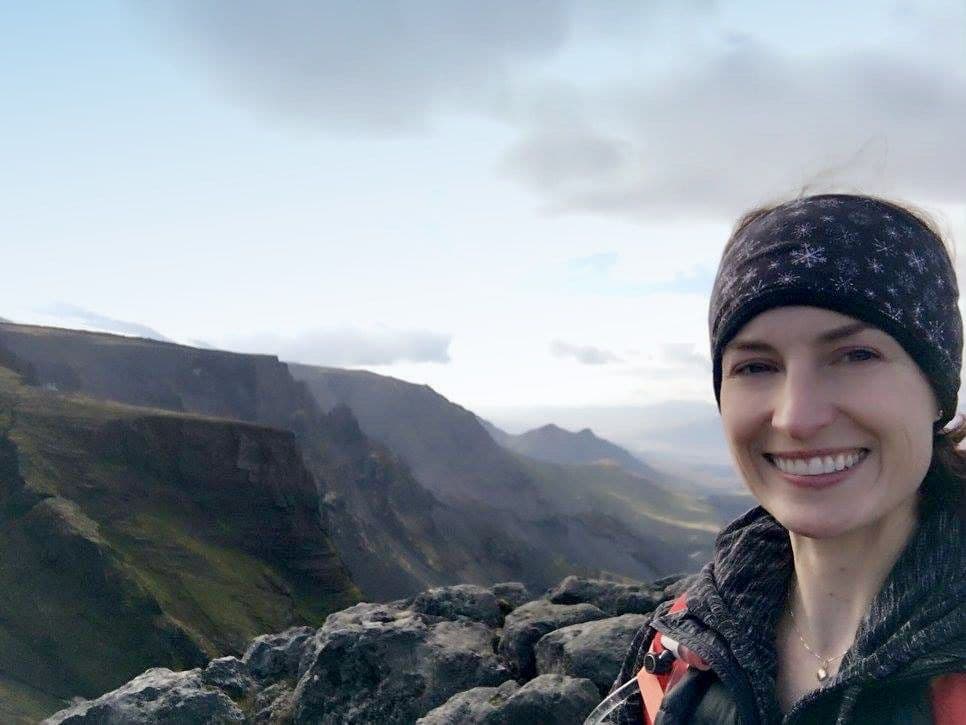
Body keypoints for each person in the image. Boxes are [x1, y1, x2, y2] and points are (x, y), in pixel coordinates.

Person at [590, 193, 966, 724]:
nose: (796, 417)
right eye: (755, 366)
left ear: (937, 391)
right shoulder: (682, 643)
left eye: (856, 355)